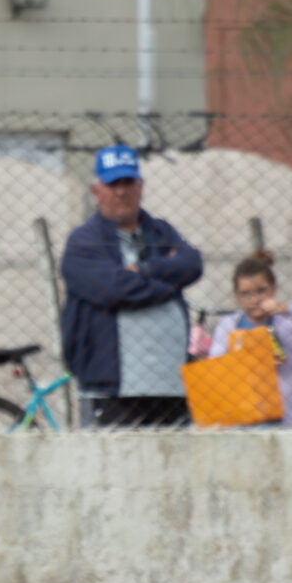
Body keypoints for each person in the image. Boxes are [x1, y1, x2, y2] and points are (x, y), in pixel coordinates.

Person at [60, 144, 204, 427]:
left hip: (171, 383)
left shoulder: (161, 231)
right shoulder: (84, 242)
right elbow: (113, 290)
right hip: (112, 387)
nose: (121, 192)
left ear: (140, 186)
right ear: (96, 190)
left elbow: (192, 264)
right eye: (113, 184)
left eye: (128, 183)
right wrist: (170, 285)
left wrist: (146, 270)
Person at [205, 252, 292, 427]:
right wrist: (252, 359)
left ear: (274, 289)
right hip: (245, 414)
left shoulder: (288, 322)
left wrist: (289, 309)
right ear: (237, 296)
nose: (255, 299)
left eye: (261, 291)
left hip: (290, 416)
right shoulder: (229, 324)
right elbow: (216, 364)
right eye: (246, 294)